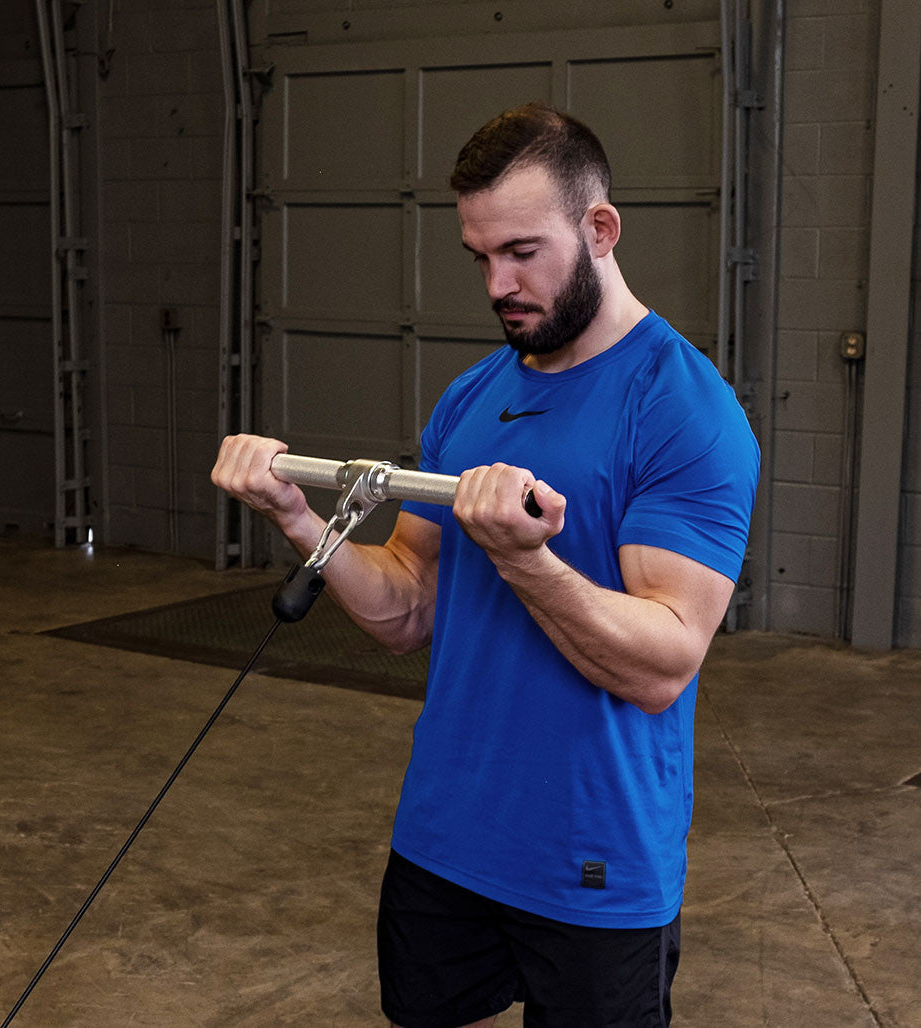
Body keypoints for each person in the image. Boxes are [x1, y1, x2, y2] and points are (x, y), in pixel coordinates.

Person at [211, 101, 759, 1028]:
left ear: (600, 230)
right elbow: (407, 611)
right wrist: (299, 519)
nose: (499, 284)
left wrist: (525, 562)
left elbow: (663, 665)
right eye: (480, 258)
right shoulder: (473, 396)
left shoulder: (684, 411)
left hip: (595, 857)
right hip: (446, 837)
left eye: (522, 252)